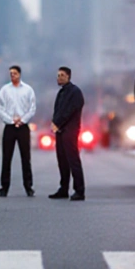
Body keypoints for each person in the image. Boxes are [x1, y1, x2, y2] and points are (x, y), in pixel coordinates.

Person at [0, 65, 36, 197]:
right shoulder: (4, 90)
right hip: (9, 126)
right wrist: (12, 120)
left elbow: (32, 108)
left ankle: (28, 186)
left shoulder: (28, 90)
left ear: (19, 74)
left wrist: (22, 120)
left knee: (26, 158)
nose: (12, 75)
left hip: (23, 127)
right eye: (10, 73)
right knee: (6, 158)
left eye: (14, 73)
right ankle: (4, 186)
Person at [48, 66, 86, 201]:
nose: (59, 78)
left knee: (73, 160)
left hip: (70, 131)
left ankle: (79, 190)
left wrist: (57, 122)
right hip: (60, 131)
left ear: (68, 76)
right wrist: (54, 123)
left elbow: (70, 110)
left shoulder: (75, 92)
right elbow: (58, 110)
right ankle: (63, 188)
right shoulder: (61, 92)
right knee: (62, 161)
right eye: (58, 75)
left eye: (62, 75)